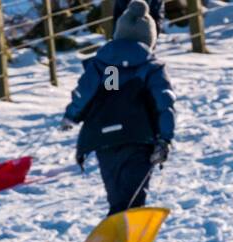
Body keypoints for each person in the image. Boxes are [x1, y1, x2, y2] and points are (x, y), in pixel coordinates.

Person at [61, 1, 175, 218]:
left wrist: (71, 115)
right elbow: (164, 104)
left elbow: (88, 92)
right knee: (133, 198)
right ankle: (122, 239)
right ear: (150, 39)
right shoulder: (150, 67)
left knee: (117, 196)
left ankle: (115, 232)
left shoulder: (109, 67)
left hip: (104, 138)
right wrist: (165, 139)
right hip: (138, 137)